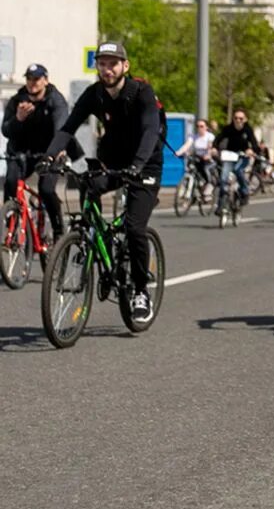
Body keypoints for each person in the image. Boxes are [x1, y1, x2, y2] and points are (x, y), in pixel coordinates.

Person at [46, 42, 164, 322]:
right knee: (88, 183)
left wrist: (137, 165)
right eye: (102, 63)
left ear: (125, 66)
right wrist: (49, 157)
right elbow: (68, 127)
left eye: (113, 63)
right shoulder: (94, 94)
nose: (107, 69)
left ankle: (140, 291)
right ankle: (93, 238)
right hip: (113, 159)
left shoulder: (142, 93)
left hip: (145, 162)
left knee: (135, 228)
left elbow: (150, 129)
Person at [3, 63, 71, 237]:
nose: (32, 83)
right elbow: (5, 129)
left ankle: (57, 228)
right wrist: (18, 119)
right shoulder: (18, 100)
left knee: (46, 189)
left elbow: (61, 126)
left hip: (48, 153)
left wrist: (58, 150)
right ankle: (11, 219)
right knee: (11, 180)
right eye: (29, 79)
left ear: (45, 80)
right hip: (22, 153)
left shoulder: (55, 100)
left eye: (37, 79)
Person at [212, 108, 261, 210]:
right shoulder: (228, 129)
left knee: (238, 170)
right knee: (223, 178)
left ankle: (244, 190)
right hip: (230, 155)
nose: (238, 120)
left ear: (245, 119)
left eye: (241, 118)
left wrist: (251, 150)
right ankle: (221, 204)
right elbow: (218, 138)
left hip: (243, 156)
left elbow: (255, 144)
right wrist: (214, 148)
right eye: (236, 118)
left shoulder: (248, 130)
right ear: (233, 119)